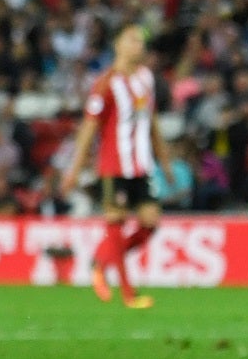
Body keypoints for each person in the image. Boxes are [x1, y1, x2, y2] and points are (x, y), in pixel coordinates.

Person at [59, 26, 172, 309]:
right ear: (118, 45)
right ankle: (129, 294)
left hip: (142, 166)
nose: (139, 45)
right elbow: (88, 128)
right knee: (116, 225)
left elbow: (152, 121)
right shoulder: (106, 84)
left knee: (150, 223)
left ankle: (102, 262)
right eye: (132, 40)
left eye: (141, 41)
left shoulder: (147, 78)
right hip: (113, 167)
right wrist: (74, 169)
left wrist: (165, 160)